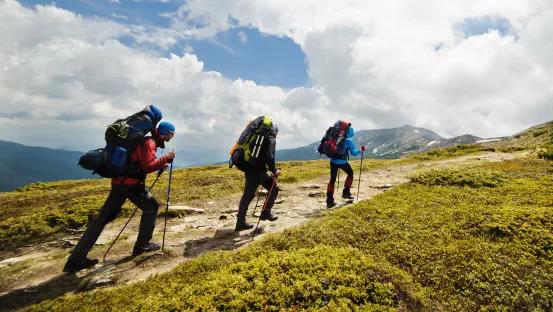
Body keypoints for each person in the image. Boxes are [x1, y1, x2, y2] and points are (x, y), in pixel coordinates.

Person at [63, 121, 176, 273]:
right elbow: (148, 166)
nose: (171, 137)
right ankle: (142, 246)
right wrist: (166, 158)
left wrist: (160, 163)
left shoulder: (145, 141)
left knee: (101, 220)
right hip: (131, 185)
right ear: (164, 134)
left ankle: (75, 261)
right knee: (151, 207)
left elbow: (140, 162)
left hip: (118, 183)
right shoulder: (149, 142)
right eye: (170, 134)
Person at [235, 116, 280, 231]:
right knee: (273, 188)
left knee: (248, 195)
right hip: (260, 171)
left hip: (249, 169)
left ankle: (240, 222)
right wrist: (274, 171)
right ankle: (266, 212)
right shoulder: (270, 137)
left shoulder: (254, 134)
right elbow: (270, 157)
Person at [326, 126, 366, 208]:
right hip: (342, 162)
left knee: (332, 180)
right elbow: (354, 153)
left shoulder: (335, 138)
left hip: (333, 161)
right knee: (350, 173)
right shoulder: (348, 141)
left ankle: (329, 201)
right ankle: (346, 192)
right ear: (350, 133)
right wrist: (361, 150)